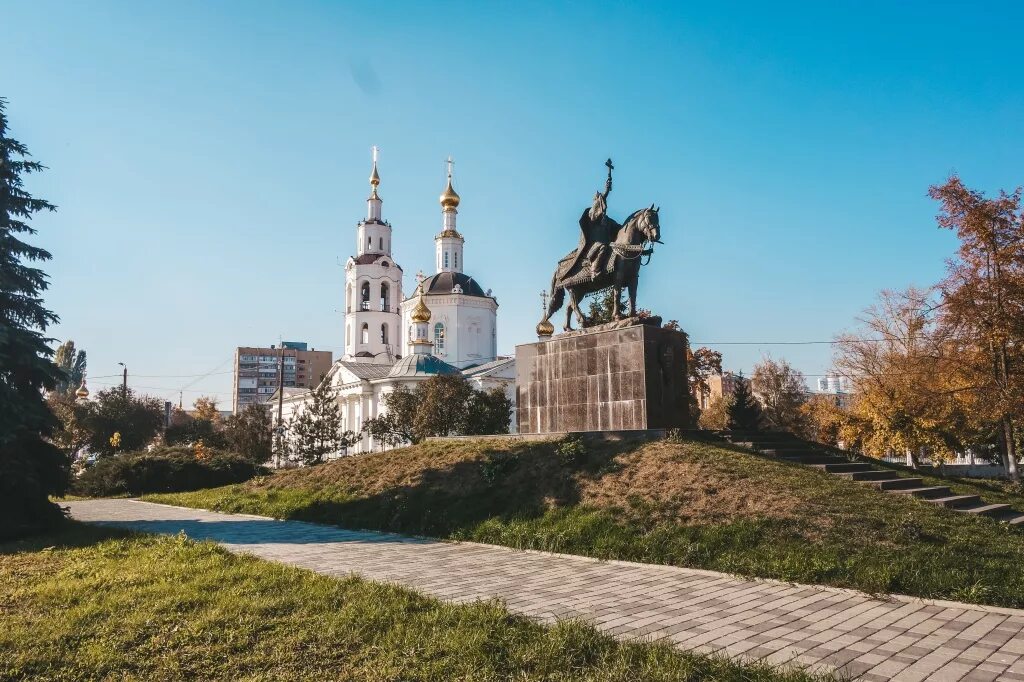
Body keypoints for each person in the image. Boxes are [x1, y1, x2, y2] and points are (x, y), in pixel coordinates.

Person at [570, 159, 621, 278]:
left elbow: (620, 228)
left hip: (606, 243)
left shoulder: (607, 221)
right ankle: (595, 270)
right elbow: (596, 208)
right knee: (603, 246)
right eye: (599, 201)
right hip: (593, 246)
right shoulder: (592, 215)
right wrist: (606, 192)